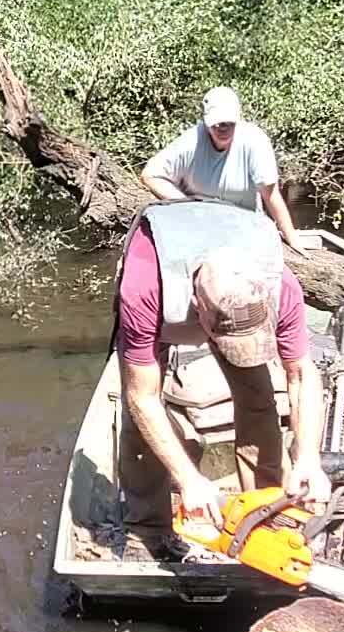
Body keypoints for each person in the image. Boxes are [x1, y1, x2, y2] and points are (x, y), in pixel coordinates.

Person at [113, 198, 331, 537]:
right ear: (197, 308)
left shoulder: (279, 287)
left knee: (260, 399)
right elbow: (142, 398)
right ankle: (148, 527)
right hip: (164, 277)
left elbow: (301, 374)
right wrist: (188, 479)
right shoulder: (143, 288)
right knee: (137, 417)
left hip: (229, 287)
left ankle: (265, 514)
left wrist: (308, 458)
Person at [139, 86, 312, 254]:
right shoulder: (191, 141)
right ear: (206, 122)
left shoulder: (255, 141)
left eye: (229, 123)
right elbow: (150, 175)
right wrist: (188, 205)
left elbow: (270, 194)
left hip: (246, 226)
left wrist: (291, 237)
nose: (223, 128)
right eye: (217, 123)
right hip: (198, 227)